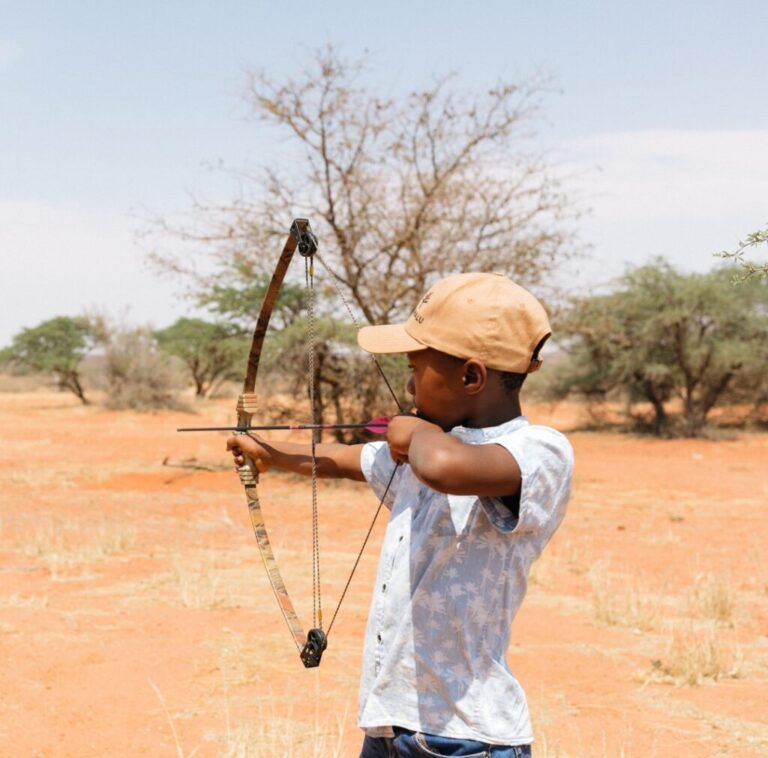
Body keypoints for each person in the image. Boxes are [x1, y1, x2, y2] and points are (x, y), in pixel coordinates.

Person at [227, 272, 573, 757]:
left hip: (469, 738)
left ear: (471, 377)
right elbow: (347, 458)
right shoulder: (425, 447)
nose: (408, 384)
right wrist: (272, 454)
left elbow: (445, 467)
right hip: (391, 727)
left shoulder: (536, 451)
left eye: (415, 368)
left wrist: (414, 432)